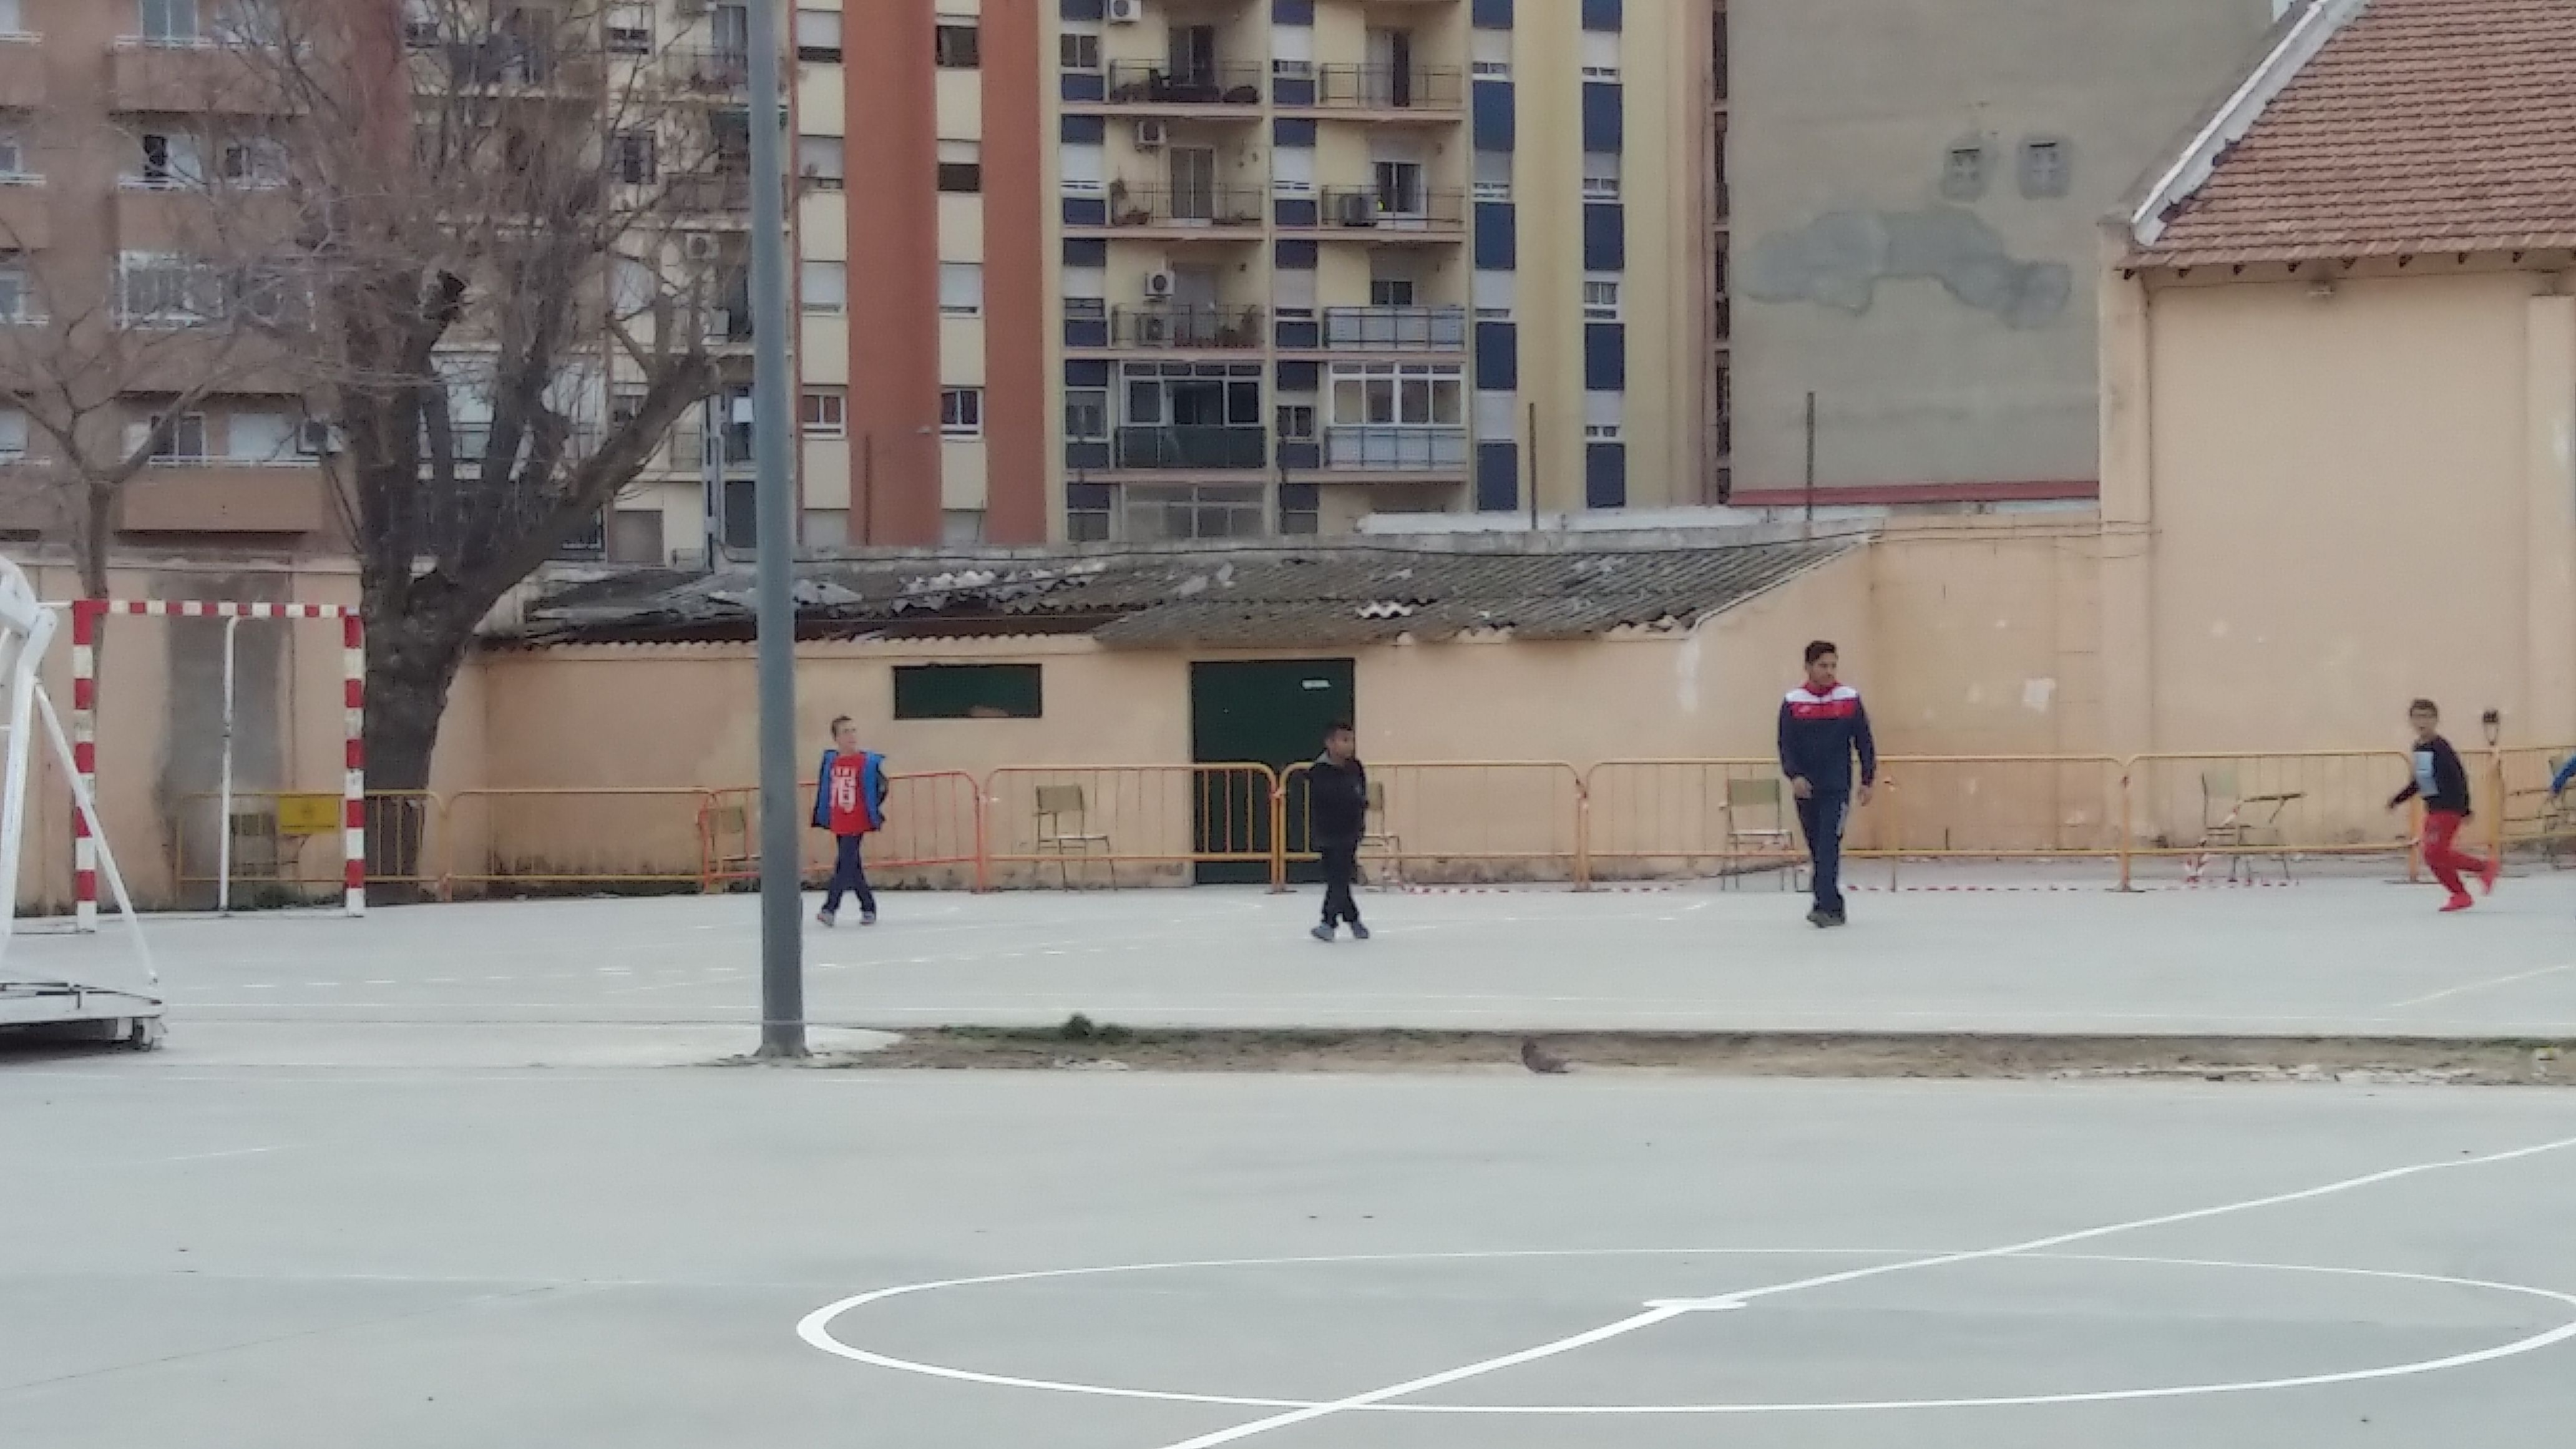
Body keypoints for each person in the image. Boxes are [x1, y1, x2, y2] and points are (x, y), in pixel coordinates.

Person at [1778, 640, 1876, 927]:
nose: (1829, 672)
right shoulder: (1794, 702)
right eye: (1823, 666)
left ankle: (1825, 907)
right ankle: (1831, 903)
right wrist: (1794, 775)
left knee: (1828, 845)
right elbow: (1786, 745)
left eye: (1833, 666)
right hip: (1806, 788)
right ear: (1808, 667)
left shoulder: (1850, 699)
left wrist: (1868, 779)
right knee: (1816, 846)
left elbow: (1864, 742)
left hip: (1837, 787)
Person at [2388, 698, 2497, 912]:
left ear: (2436, 720)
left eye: (2427, 717)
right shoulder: (2419, 747)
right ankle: (2459, 894)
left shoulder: (2441, 747)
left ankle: (2484, 868)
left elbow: (2459, 777)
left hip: (2449, 807)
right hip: (2433, 808)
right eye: (2418, 717)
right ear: (2411, 720)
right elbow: (2420, 780)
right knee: (2431, 855)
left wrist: (2465, 807)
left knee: (2436, 852)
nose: (2422, 722)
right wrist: (2399, 799)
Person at [812, 716, 889, 927]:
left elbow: (881, 787)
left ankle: (829, 908)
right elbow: (827, 789)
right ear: (836, 738)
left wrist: (872, 810)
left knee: (844, 863)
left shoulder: (865, 762)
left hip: (857, 819)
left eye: (854, 730)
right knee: (852, 865)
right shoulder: (832, 762)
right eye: (846, 732)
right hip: (839, 818)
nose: (851, 735)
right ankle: (868, 907)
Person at [1307, 721, 1370, 943]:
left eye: (1351, 740)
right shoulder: (1319, 771)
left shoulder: (1356, 767)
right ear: (1330, 743)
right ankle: (1353, 920)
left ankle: (1328, 923)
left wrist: (1361, 820)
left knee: (1339, 877)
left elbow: (1361, 795)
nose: (1349, 745)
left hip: (1349, 831)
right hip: (1328, 832)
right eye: (1344, 740)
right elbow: (1324, 800)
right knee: (1337, 878)